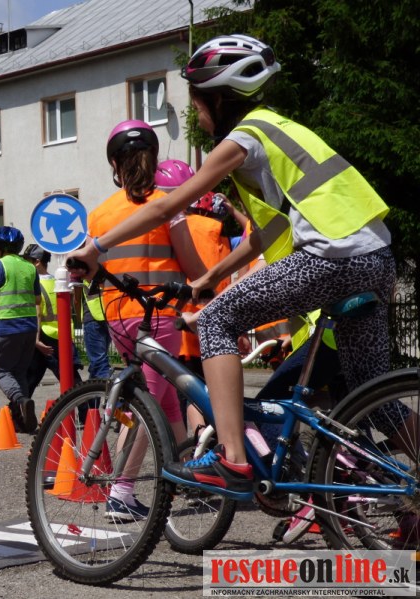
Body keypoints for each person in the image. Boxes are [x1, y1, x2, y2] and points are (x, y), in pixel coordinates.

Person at [68, 34, 397, 502]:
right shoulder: (280, 132)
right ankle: (405, 492)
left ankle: (232, 458)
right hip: (375, 258)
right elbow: (268, 231)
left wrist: (96, 247)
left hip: (333, 258)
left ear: (218, 98)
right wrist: (206, 279)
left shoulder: (245, 136)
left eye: (197, 104)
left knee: (217, 320)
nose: (197, 115)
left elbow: (166, 207)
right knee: (374, 398)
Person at [88, 121, 206, 521]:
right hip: (158, 316)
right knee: (148, 401)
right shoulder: (166, 205)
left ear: (114, 164)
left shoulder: (100, 214)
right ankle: (121, 492)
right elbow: (193, 267)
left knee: (166, 399)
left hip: (118, 317)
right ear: (154, 160)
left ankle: (189, 477)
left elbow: (94, 268)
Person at [0, 226, 41, 434]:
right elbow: (37, 299)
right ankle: (22, 420)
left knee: (0, 371)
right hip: (30, 327)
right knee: (19, 372)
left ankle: (20, 400)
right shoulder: (30, 267)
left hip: (9, 326)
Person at [23, 243, 82, 398]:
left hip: (43, 337)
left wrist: (35, 340)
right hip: (61, 335)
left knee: (30, 379)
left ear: (37, 262)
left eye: (27, 262)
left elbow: (37, 314)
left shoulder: (35, 284)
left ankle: (17, 409)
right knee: (70, 378)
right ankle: (86, 409)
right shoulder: (56, 281)